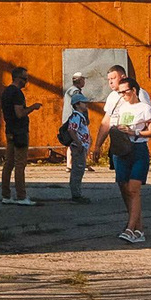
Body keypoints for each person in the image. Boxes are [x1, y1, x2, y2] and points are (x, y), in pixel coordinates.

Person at [102, 64, 151, 245]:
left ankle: (131, 228)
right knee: (125, 187)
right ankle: (137, 227)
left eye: (125, 92)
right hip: (123, 148)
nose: (122, 95)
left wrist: (135, 133)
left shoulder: (144, 107)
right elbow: (109, 122)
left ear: (133, 91)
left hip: (138, 148)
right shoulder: (122, 107)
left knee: (134, 189)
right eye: (120, 92)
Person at [0, 69, 35, 207]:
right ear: (19, 79)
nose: (26, 81)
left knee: (8, 164)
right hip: (20, 132)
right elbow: (20, 113)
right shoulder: (17, 93)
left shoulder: (6, 92)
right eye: (25, 78)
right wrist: (32, 108)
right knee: (20, 164)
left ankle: (6, 195)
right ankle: (21, 196)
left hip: (10, 130)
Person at [61, 73, 94, 204]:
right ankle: (76, 195)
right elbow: (72, 130)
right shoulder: (76, 115)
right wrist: (79, 143)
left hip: (81, 145)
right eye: (83, 103)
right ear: (78, 104)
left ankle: (77, 193)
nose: (86, 105)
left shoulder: (79, 116)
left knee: (79, 170)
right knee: (77, 171)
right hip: (78, 146)